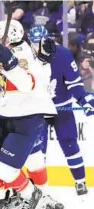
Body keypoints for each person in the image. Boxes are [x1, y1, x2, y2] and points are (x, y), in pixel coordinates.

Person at [0, 20, 62, 209]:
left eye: (0, 34)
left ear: (12, 35)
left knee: (11, 167)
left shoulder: (21, 53)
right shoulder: (1, 50)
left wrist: (10, 64)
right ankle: (2, 200)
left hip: (27, 116)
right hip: (5, 114)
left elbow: (27, 84)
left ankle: (39, 198)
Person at [29, 25, 94, 197]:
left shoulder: (63, 54)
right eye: (34, 43)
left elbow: (75, 83)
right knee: (36, 150)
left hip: (61, 109)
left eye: (40, 43)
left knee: (69, 143)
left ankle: (80, 181)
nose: (37, 47)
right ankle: (39, 188)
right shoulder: (26, 56)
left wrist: (83, 100)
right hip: (38, 110)